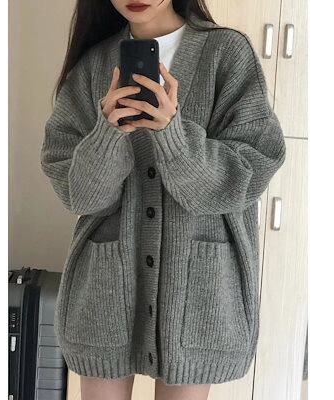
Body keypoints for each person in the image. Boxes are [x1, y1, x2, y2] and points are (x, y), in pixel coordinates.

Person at [40, 1, 286, 399]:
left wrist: (173, 134)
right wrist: (106, 134)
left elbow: (251, 168)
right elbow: (81, 195)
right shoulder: (92, 67)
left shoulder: (226, 53)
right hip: (106, 292)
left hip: (196, 293)